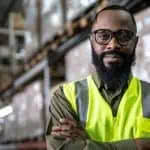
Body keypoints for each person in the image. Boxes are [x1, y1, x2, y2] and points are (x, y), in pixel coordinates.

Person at [46, 5, 150, 150]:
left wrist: (87, 144)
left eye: (124, 36)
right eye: (103, 36)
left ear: (135, 42)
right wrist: (137, 145)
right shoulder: (65, 98)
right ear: (92, 42)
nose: (113, 45)